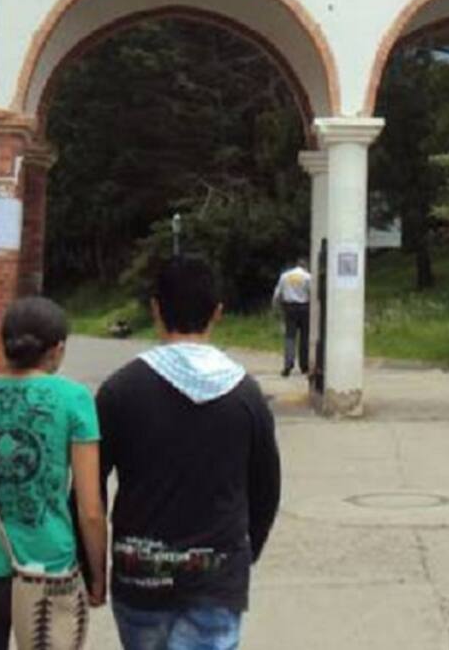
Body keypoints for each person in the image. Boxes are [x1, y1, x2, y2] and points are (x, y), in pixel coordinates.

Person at [98, 257, 281, 649]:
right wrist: (243, 556)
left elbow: (88, 487)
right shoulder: (246, 394)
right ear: (218, 312)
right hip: (216, 580)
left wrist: (92, 564)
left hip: (138, 577)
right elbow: (266, 489)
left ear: (155, 309)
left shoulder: (120, 390)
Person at [0, 296, 108, 647]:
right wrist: (98, 574)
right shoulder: (74, 399)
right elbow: (90, 511)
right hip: (48, 567)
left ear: (4, 343)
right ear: (57, 350)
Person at [271, 258, 311, 377]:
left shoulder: (285, 276)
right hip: (304, 308)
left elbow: (277, 294)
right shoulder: (308, 277)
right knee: (304, 337)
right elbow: (312, 293)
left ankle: (288, 365)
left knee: (290, 337)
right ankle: (304, 366)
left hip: (289, 308)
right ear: (305, 266)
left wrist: (276, 308)